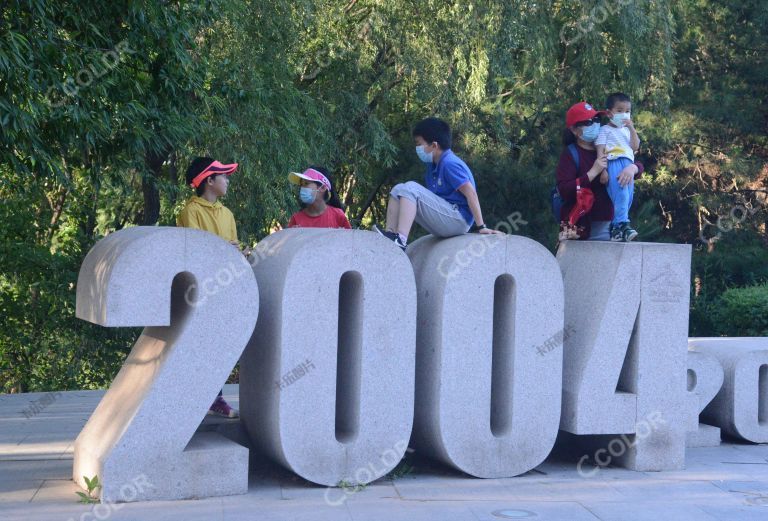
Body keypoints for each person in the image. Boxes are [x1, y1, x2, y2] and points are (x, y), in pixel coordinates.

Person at [177, 156, 242, 418]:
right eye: (223, 176)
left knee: (219, 346)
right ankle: (195, 399)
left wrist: (239, 253)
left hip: (224, 288)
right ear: (209, 180)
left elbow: (233, 249)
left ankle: (216, 398)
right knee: (197, 346)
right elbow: (194, 251)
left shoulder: (227, 214)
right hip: (200, 290)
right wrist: (222, 249)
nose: (227, 180)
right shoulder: (190, 211)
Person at [375, 117, 499, 250]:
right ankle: (391, 236)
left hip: (458, 220)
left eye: (419, 144)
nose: (417, 148)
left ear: (434, 145)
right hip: (446, 215)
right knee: (398, 189)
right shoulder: (433, 165)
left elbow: (471, 194)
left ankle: (400, 240)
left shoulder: (450, 164)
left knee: (410, 188)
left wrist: (481, 227)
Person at [556, 102, 645, 241]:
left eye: (597, 119)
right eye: (588, 122)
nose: (595, 124)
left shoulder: (608, 144)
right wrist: (592, 173)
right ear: (574, 130)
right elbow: (564, 190)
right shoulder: (571, 154)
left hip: (610, 225)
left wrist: (634, 168)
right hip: (581, 229)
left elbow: (629, 158)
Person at [596, 93, 641, 241]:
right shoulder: (604, 130)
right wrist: (602, 170)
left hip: (628, 163)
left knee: (628, 197)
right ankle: (623, 225)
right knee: (621, 193)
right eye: (620, 111)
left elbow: (635, 147)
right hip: (613, 162)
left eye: (627, 111)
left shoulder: (627, 131)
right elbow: (600, 151)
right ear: (609, 113)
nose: (624, 114)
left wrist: (632, 128)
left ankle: (616, 229)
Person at [287, 167, 351, 229]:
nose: (302, 188)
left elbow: (349, 239)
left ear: (323, 188)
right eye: (301, 184)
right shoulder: (296, 219)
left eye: (306, 183)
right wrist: (293, 234)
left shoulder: (338, 216)